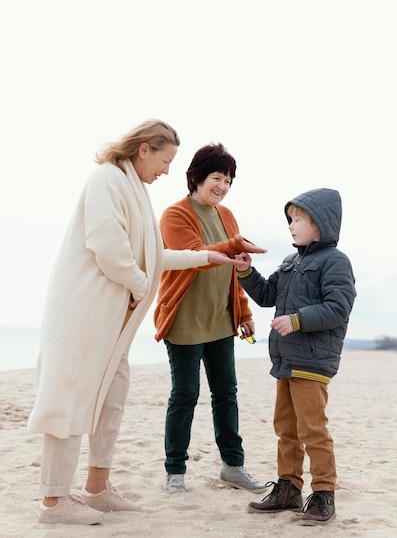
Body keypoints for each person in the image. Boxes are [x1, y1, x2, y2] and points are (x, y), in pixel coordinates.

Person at [27, 120, 247, 526]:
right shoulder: (107, 180)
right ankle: (54, 501)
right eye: (165, 160)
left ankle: (97, 487)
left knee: (111, 401)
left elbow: (150, 254)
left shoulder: (136, 190)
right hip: (85, 315)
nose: (166, 171)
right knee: (70, 399)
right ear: (144, 149)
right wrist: (139, 285)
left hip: (115, 325)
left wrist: (208, 257)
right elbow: (108, 247)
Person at [235, 188, 356, 525]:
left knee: (312, 429)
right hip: (285, 361)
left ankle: (323, 493)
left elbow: (338, 308)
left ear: (320, 223)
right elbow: (267, 294)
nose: (291, 225)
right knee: (286, 428)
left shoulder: (335, 261)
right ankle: (288, 488)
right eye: (290, 219)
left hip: (313, 362)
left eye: (298, 219)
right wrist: (247, 272)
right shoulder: (291, 261)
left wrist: (297, 320)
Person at [153, 142, 268, 494]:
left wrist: (244, 312)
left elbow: (234, 270)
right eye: (217, 177)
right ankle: (175, 471)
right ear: (197, 177)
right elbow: (193, 255)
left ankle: (233, 466)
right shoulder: (175, 214)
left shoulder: (227, 216)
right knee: (185, 395)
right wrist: (233, 245)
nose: (222, 186)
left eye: (228, 180)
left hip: (221, 321)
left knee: (226, 394)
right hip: (185, 321)